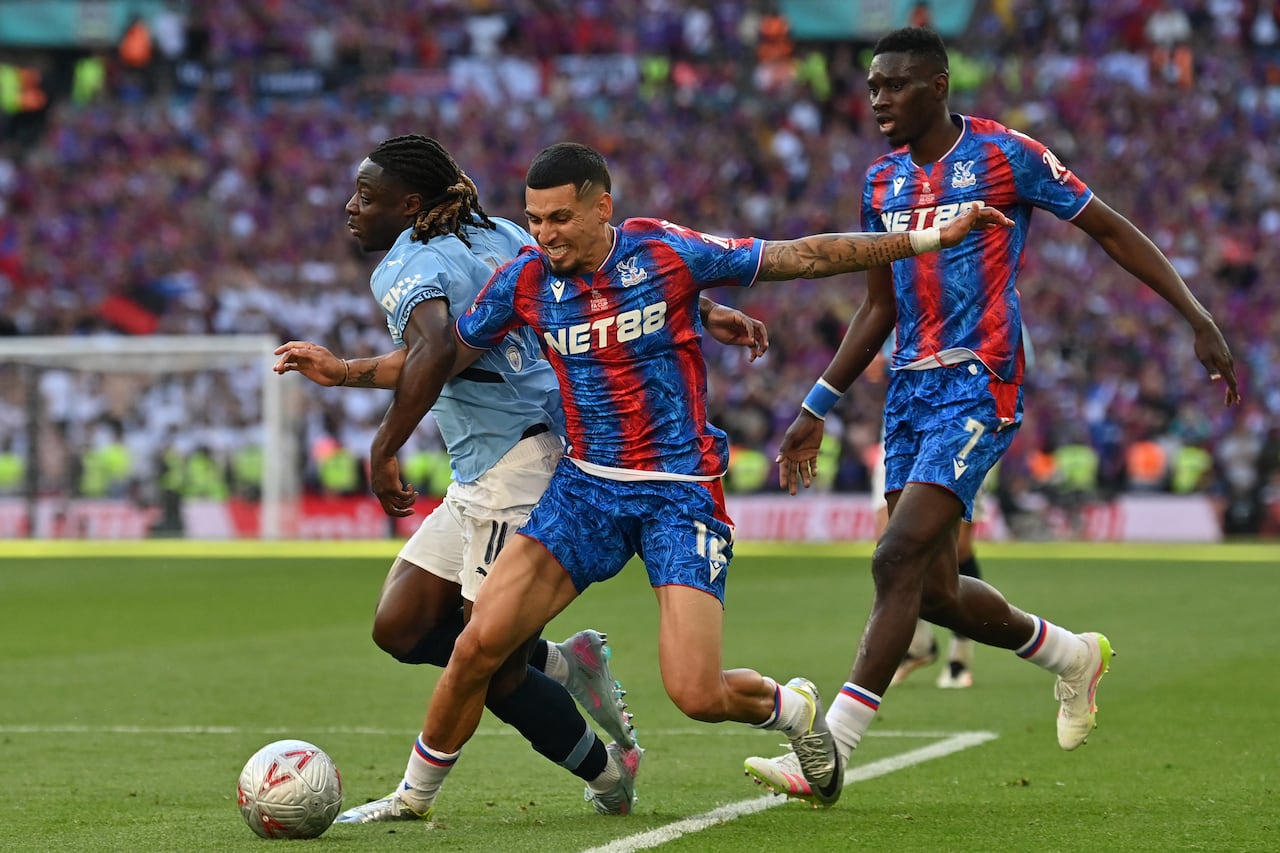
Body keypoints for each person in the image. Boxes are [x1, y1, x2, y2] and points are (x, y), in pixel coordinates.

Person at [383, 140, 1013, 823]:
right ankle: (410, 798)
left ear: (603, 208)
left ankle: (793, 709)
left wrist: (927, 237)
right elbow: (437, 358)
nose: (544, 235)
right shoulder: (527, 280)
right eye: (534, 219)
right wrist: (343, 370)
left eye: (560, 218)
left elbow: (799, 255)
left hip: (677, 495)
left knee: (696, 693)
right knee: (478, 644)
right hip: (585, 490)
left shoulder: (665, 253)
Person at [744, 27, 1240, 806]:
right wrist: (818, 402)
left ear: (938, 86)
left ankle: (829, 750)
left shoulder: (1008, 155)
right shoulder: (882, 182)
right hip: (909, 388)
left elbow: (1107, 227)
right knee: (934, 590)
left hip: (982, 379)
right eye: (873, 86)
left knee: (893, 557)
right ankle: (1072, 656)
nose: (878, 100)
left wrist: (1195, 314)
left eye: (896, 85)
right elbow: (881, 305)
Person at [272, 134, 772, 822]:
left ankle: (606, 772)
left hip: (518, 462)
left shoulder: (402, 267)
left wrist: (384, 444)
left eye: (366, 195)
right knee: (402, 624)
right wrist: (703, 307)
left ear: (410, 203)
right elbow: (599, 285)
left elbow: (437, 347)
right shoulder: (502, 232)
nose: (351, 207)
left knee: (494, 664)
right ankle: (568, 664)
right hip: (486, 464)